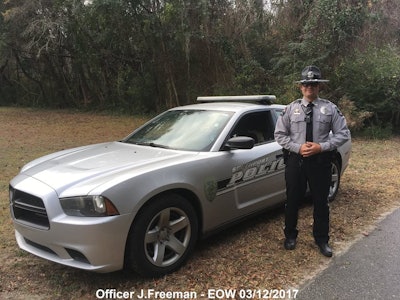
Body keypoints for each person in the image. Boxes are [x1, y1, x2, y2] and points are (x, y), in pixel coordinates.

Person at [274, 66, 350, 257]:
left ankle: (322, 239)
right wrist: (297, 147)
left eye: (313, 84)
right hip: (296, 162)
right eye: (306, 84)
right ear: (301, 87)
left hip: (320, 162)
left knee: (321, 202)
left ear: (319, 87)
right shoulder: (290, 109)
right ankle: (290, 235)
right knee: (292, 200)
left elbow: (343, 134)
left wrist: (321, 147)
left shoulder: (330, 109)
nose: (310, 87)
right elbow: (279, 135)